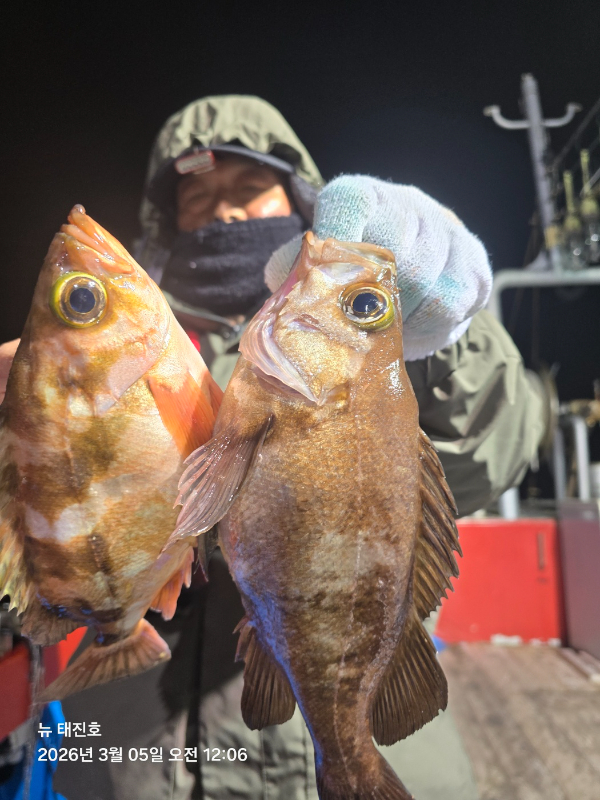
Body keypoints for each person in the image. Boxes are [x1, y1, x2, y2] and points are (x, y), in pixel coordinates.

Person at [2, 95, 547, 800]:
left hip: (373, 740)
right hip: (132, 759)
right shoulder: (141, 351)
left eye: (249, 187)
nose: (225, 209)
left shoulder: (385, 352)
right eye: (199, 195)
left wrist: (446, 335)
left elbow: (496, 442)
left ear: (298, 197)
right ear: (168, 219)